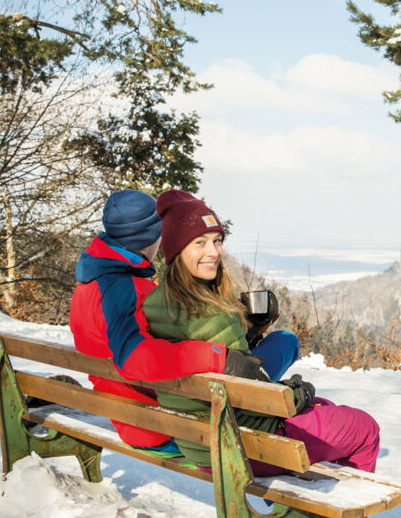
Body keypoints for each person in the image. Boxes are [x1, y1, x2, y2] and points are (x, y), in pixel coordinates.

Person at [143, 189, 380, 475]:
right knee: (365, 428)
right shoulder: (211, 311)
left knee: (326, 407)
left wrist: (249, 334)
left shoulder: (155, 303)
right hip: (240, 446)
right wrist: (294, 396)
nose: (214, 251)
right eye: (200, 243)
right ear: (177, 249)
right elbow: (246, 397)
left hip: (197, 442)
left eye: (217, 241)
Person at [69, 189, 268, 454]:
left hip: (130, 415)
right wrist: (218, 357)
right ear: (151, 236)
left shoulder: (91, 281)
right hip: (161, 426)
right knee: (283, 345)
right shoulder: (123, 288)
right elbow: (134, 359)